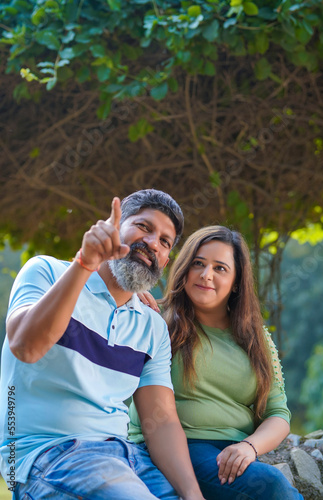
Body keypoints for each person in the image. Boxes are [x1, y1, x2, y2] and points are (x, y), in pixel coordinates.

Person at [0, 189, 206, 500]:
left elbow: (160, 422)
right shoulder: (46, 272)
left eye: (164, 242)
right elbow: (26, 346)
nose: (153, 243)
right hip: (47, 455)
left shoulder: (152, 327)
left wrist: (193, 494)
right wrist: (85, 263)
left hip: (126, 458)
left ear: (165, 259)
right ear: (115, 227)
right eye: (144, 227)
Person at [129, 225, 304, 500]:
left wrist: (249, 447)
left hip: (234, 451)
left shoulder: (256, 337)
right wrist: (125, 294)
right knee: (271, 485)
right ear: (185, 267)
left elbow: (278, 415)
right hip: (177, 448)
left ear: (236, 281)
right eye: (198, 263)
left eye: (220, 268)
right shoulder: (154, 316)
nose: (206, 275)